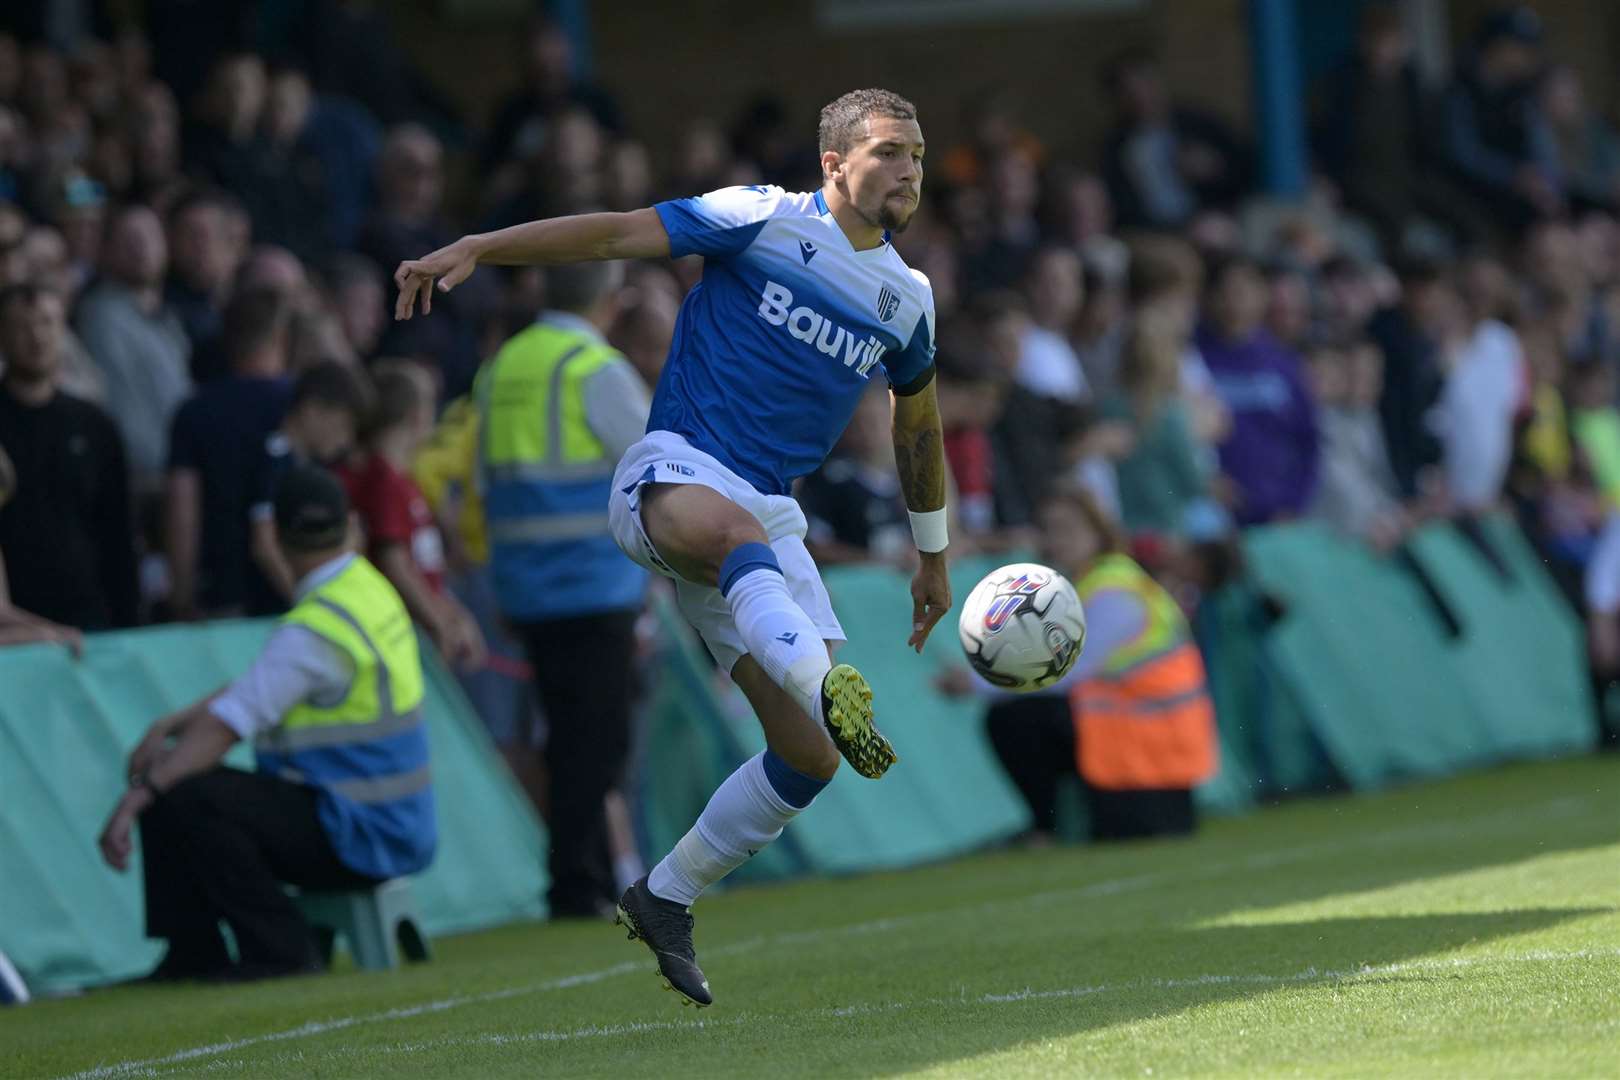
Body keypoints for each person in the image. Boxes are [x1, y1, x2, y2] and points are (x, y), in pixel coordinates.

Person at [394, 87, 950, 1006]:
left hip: (766, 524)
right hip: (672, 473)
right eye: (891, 151)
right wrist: (483, 247)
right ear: (834, 163)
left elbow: (917, 429)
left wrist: (932, 556)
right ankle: (828, 684)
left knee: (808, 756)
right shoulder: (759, 218)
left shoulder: (909, 302)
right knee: (745, 554)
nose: (909, 172)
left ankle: (665, 895)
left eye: (919, 156)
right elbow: (614, 235)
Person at [97, 464, 437, 982]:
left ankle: (278, 949)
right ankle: (194, 950)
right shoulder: (366, 589)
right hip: (393, 820)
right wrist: (174, 722)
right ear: (350, 525)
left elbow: (231, 723)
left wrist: (138, 796)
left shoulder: (315, 626)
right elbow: (266, 686)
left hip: (355, 831)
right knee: (188, 784)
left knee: (186, 794)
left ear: (274, 536)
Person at [475, 259, 652, 918]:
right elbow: (656, 465)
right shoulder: (593, 367)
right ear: (611, 298)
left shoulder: (501, 367)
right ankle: (578, 884)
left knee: (568, 736)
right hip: (593, 582)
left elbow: (482, 481)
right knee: (597, 741)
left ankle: (582, 876)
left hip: (526, 582)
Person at [939, 486, 1218, 842]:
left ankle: (1044, 826)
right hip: (1146, 731)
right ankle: (1049, 824)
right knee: (1024, 715)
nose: (1057, 539)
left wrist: (979, 683)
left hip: (1144, 736)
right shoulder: (1094, 582)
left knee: (1016, 719)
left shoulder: (1112, 590)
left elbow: (1070, 669)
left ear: (1098, 531)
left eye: (1068, 528)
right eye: (1049, 529)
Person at [0, 284, 138, 631]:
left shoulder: (95, 426)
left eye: (47, 323)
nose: (37, 337)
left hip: (87, 618)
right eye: (22, 326)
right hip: (13, 626)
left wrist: (129, 619)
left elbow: (118, 532)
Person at [341, 364, 485, 669]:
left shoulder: (402, 480)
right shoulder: (385, 482)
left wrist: (453, 613)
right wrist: (439, 622)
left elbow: (420, 565)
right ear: (417, 414)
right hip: (406, 635)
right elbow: (396, 564)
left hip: (421, 628)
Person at [164, 287, 293, 620]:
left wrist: (181, 595)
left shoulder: (194, 411)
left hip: (221, 596)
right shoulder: (300, 405)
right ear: (281, 335)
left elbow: (183, 509)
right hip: (292, 590)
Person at [248, 360, 368, 612]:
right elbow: (265, 544)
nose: (345, 441)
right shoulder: (275, 461)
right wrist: (310, 604)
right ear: (311, 410)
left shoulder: (307, 468)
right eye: (344, 425)